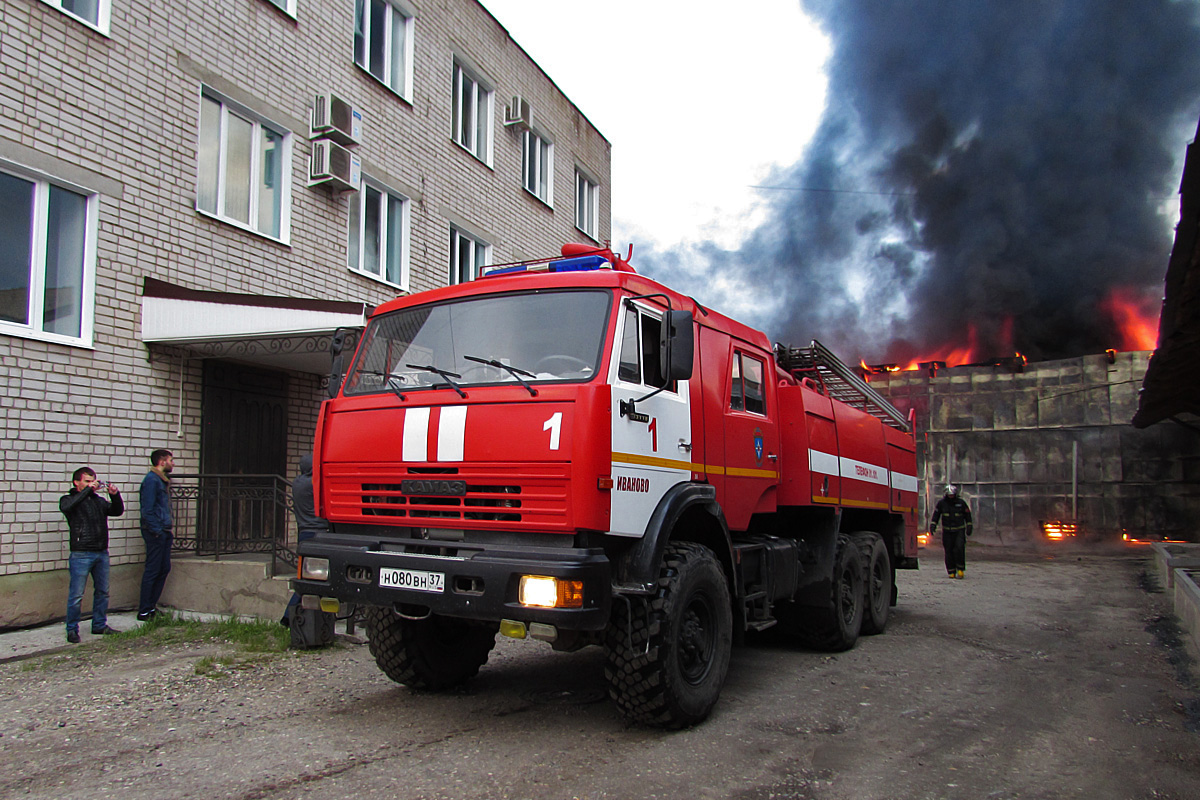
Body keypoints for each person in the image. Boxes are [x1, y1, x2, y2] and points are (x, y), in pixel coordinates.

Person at [60, 467, 125, 643]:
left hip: (101, 552)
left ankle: (99, 625)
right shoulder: (69, 499)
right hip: (81, 553)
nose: (91, 485)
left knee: (103, 592)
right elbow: (68, 506)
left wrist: (114, 495)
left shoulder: (99, 501)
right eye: (87, 481)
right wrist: (88, 491)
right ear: (77, 482)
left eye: (93, 481)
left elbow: (117, 511)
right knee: (76, 595)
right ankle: (72, 629)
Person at [281, 454, 330, 629]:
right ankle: (289, 616)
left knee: (308, 577)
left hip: (303, 533)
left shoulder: (297, 483)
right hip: (318, 534)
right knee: (311, 580)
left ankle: (306, 618)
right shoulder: (313, 484)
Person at [137, 449, 174, 620]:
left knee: (163, 568)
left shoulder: (161, 480)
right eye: (170, 460)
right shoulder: (152, 481)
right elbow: (148, 510)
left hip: (163, 531)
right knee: (153, 569)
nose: (173, 464)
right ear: (162, 461)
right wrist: (157, 531)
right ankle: (144, 609)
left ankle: (151, 607)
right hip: (156, 532)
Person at [931, 484, 973, 579]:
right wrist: (933, 524)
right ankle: (951, 570)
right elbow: (936, 515)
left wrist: (969, 525)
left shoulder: (961, 503)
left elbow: (967, 515)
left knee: (959, 548)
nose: (951, 496)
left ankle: (960, 569)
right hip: (947, 531)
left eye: (952, 495)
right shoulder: (942, 503)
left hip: (959, 530)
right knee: (948, 551)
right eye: (949, 495)